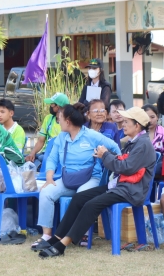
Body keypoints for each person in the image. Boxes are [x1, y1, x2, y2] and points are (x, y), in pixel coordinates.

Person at [33, 107, 157, 259]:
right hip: (121, 186)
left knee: (91, 204)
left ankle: (62, 245)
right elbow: (123, 163)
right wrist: (106, 155)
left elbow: (125, 168)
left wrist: (105, 155)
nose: (123, 124)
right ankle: (57, 237)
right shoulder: (136, 142)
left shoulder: (143, 144)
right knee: (79, 198)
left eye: (126, 122)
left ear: (137, 125)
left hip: (131, 190)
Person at [30, 104, 121, 250]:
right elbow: (52, 159)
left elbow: (115, 147)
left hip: (91, 178)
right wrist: (49, 178)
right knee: (46, 192)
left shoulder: (91, 135)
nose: (58, 121)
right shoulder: (61, 137)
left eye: (59, 118)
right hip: (68, 178)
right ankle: (47, 235)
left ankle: (81, 233)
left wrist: (116, 167)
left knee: (81, 195)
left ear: (68, 121)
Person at [25, 92, 69, 167]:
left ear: (58, 107)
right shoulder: (48, 119)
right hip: (45, 153)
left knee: (40, 159)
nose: (50, 106)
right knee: (27, 159)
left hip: (58, 156)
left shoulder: (68, 122)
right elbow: (41, 141)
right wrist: (32, 153)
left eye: (52, 104)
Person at [142, 104, 164, 178]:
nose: (149, 120)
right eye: (146, 117)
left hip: (160, 165)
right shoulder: (138, 133)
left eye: (152, 117)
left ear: (157, 117)